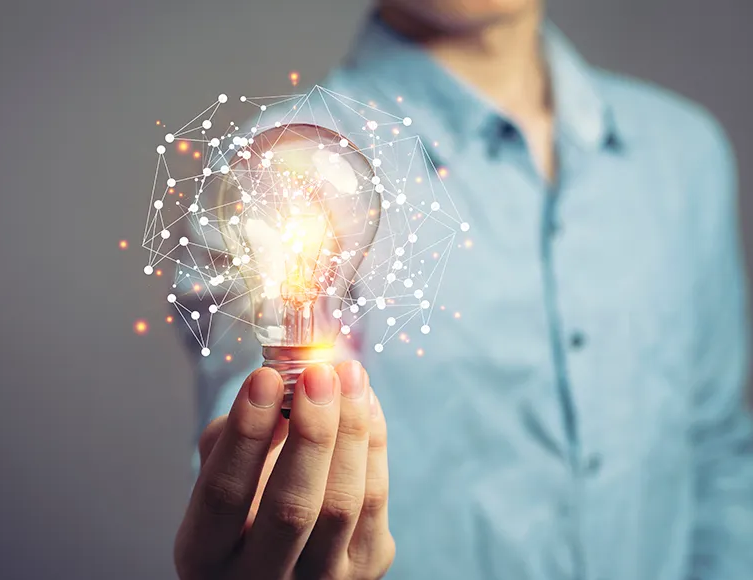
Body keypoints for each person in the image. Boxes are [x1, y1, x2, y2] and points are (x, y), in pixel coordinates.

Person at [174, 0, 753, 578]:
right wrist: (269, 513)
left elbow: (719, 452)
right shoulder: (283, 166)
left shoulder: (683, 154)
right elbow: (261, 453)